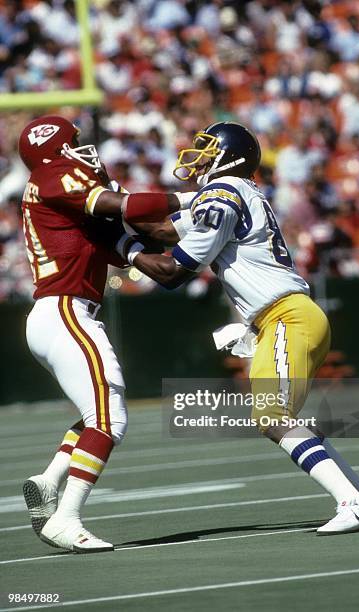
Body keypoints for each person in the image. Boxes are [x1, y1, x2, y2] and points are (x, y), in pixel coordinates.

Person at [120, 121, 359, 535]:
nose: (201, 156)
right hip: (289, 316)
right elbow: (161, 230)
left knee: (271, 414)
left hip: (285, 316)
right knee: (283, 416)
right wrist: (111, 218)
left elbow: (173, 270)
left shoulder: (223, 192)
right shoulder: (235, 193)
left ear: (231, 154)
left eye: (209, 148)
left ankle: (353, 504)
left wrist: (121, 245)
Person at [19, 115, 181, 552]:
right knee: (111, 419)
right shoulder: (54, 176)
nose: (84, 149)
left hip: (56, 314)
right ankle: (66, 520)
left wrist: (204, 227)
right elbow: (126, 207)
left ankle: (50, 481)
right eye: (74, 142)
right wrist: (191, 197)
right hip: (67, 311)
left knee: (99, 412)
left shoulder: (73, 214)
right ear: (56, 151)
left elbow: (156, 256)